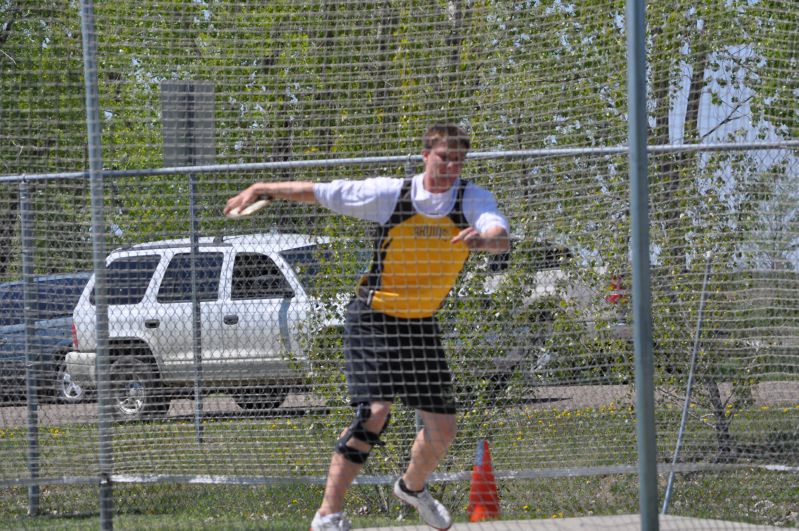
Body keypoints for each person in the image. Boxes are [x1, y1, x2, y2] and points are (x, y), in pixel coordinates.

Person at [224, 124, 510, 531]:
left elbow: (498, 232)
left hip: (420, 325)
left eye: (458, 160)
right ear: (426, 154)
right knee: (374, 413)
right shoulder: (391, 195)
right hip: (374, 317)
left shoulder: (470, 199)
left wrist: (486, 241)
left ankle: (411, 489)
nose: (450, 166)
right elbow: (321, 192)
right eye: (444, 157)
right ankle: (329, 514)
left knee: (444, 427)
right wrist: (263, 187)